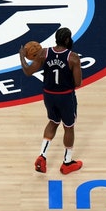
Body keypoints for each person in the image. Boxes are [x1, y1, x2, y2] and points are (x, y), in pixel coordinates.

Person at [19, 27, 83, 174]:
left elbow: (28, 72)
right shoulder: (73, 57)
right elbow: (78, 82)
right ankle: (67, 163)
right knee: (68, 127)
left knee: (53, 122)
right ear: (67, 40)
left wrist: (22, 56)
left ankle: (42, 156)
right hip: (65, 96)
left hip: (49, 95)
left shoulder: (43, 53)